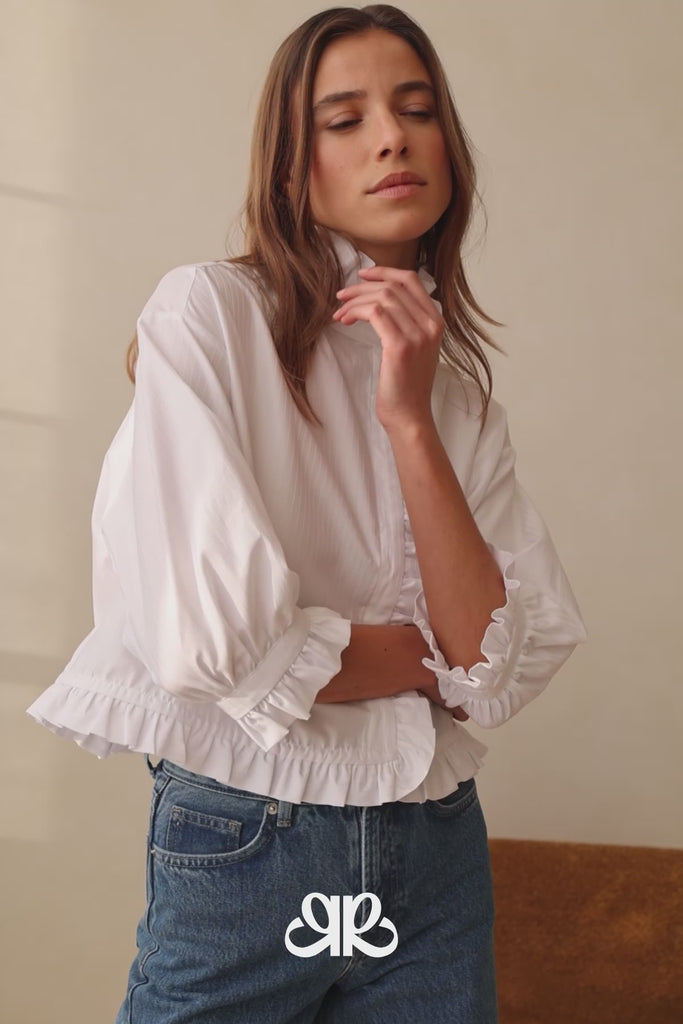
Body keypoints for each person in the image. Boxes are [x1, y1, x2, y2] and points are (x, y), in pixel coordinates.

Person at [27, 5, 587, 1022]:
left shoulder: (456, 397)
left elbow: (495, 670)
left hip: (433, 843)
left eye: (416, 109)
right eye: (345, 119)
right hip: (251, 834)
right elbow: (212, 649)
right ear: (291, 169)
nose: (392, 138)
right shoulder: (207, 317)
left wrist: (407, 420)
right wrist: (422, 655)